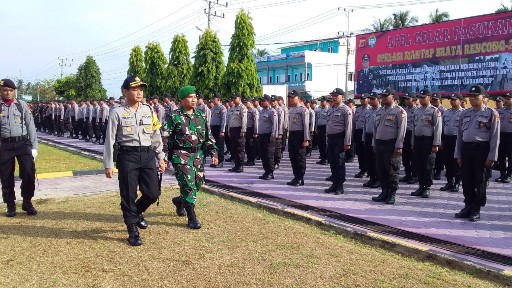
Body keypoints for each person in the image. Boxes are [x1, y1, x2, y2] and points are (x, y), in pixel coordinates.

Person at [103, 75, 166, 246]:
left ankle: (136, 213)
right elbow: (109, 139)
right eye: (135, 89)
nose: (139, 93)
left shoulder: (148, 110)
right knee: (128, 194)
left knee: (153, 193)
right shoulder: (117, 112)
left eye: (141, 89)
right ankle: (132, 229)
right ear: (125, 92)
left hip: (147, 155)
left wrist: (160, 156)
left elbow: (155, 135)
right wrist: (108, 164)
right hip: (127, 156)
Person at [167, 85, 218, 229]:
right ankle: (192, 217)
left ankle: (179, 201)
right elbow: (166, 138)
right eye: (190, 97)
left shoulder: (200, 116)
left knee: (197, 184)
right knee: (188, 185)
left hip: (198, 156)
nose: (194, 99)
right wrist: (163, 158)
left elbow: (208, 137)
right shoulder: (175, 116)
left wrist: (214, 152)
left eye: (195, 97)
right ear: (182, 100)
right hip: (181, 155)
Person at [454, 85, 499, 222]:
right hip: (466, 149)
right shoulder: (465, 113)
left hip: (482, 149)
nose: (472, 99)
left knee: (480, 180)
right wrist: (458, 154)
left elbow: (495, 136)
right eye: (471, 96)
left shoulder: (491, 113)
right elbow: (460, 135)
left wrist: (492, 156)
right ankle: (468, 205)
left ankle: (476, 208)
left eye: (476, 96)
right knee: (466, 180)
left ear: (483, 97)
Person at [0, 79, 38, 217]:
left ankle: (27, 201)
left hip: (22, 143)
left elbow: (31, 126)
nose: (8, 93)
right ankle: (10, 205)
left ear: (14, 91)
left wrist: (34, 147)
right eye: (5, 90)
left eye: (10, 90)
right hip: (5, 145)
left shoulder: (22, 105)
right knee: (6, 176)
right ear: (1, 91)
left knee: (29, 172)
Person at [371, 88, 407, 204]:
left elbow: (402, 130)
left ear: (392, 97)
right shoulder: (379, 111)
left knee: (392, 170)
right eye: (382, 96)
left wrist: (399, 146)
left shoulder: (399, 111)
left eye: (386, 96)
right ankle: (384, 191)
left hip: (391, 145)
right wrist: (374, 143)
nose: (383, 98)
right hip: (380, 144)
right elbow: (375, 129)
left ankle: (392, 194)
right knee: (381, 170)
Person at [411, 89, 442, 199]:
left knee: (428, 165)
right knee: (418, 164)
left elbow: (438, 128)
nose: (421, 99)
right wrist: (413, 142)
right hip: (418, 140)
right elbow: (414, 128)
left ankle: (427, 187)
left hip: (428, 141)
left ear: (429, 98)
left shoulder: (434, 111)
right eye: (420, 97)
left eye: (423, 97)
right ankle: (420, 186)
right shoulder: (417, 111)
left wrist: (436, 144)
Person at [324, 88, 352, 194]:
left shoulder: (346, 110)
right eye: (333, 95)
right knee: (332, 162)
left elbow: (348, 127)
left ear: (342, 97)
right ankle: (334, 183)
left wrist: (347, 142)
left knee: (340, 162)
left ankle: (340, 186)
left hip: (340, 139)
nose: (334, 97)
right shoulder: (331, 109)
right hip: (331, 138)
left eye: (336, 95)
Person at [440, 93, 464, 192]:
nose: (452, 101)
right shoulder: (446, 112)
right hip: (447, 139)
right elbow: (442, 127)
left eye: (454, 99)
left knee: (456, 162)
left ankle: (457, 182)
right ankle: (449, 181)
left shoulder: (464, 112)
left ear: (460, 101)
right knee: (447, 161)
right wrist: (441, 141)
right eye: (451, 100)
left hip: (457, 139)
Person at [287, 90, 310, 186]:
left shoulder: (303, 109)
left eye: (293, 97)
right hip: (292, 135)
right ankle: (296, 176)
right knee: (292, 156)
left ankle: (300, 178)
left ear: (299, 98)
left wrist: (306, 139)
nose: (291, 99)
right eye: (290, 98)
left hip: (300, 135)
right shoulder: (291, 109)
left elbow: (306, 125)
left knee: (300, 157)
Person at [362, 92, 381, 188]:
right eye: (370, 99)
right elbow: (365, 126)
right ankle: (372, 178)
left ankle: (378, 179)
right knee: (368, 159)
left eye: (373, 99)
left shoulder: (381, 111)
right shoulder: (368, 111)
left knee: (376, 160)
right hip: (368, 137)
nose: (371, 100)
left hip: (376, 138)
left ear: (378, 99)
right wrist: (363, 138)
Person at [257, 95, 278, 180]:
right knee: (263, 154)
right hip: (261, 135)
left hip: (269, 136)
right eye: (261, 101)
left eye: (263, 101)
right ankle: (266, 171)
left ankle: (270, 172)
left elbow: (275, 125)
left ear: (268, 102)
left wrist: (273, 136)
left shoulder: (272, 111)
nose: (262, 102)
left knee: (269, 155)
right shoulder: (262, 111)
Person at [400, 92, 418, 184]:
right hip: (405, 134)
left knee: (414, 156)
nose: (406, 100)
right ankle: (408, 174)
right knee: (405, 156)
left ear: (414, 100)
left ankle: (415, 175)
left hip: (413, 134)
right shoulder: (403, 110)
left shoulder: (418, 110)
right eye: (405, 99)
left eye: (408, 99)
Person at [227, 94, 247, 173]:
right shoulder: (232, 108)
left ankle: (240, 166)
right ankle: (236, 165)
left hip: (239, 129)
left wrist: (243, 130)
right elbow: (230, 120)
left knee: (240, 148)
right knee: (234, 148)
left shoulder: (242, 107)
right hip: (232, 130)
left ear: (239, 98)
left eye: (235, 98)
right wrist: (229, 130)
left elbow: (244, 120)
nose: (233, 100)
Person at [495, 93, 512, 183]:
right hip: (501, 135)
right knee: (501, 156)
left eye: (509, 99)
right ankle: (502, 174)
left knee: (510, 157)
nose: (506, 100)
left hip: (510, 135)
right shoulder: (500, 111)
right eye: (506, 98)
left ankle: (509, 174)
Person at [354, 93, 370, 178]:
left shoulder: (370, 109)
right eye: (361, 99)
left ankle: (368, 169)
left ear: (368, 99)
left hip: (366, 132)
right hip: (358, 131)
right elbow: (354, 121)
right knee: (359, 152)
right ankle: (362, 169)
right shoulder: (358, 109)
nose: (362, 100)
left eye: (364, 99)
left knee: (366, 152)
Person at [209, 93, 227, 168]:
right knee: (214, 145)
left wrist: (222, 130)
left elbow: (224, 120)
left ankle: (220, 161)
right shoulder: (213, 108)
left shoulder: (222, 108)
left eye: (214, 99)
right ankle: (215, 161)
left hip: (219, 128)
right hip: (213, 128)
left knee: (220, 146)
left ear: (218, 99)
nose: (212, 100)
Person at [431, 93, 445, 180]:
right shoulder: (431, 109)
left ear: (440, 100)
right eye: (433, 99)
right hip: (431, 134)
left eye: (436, 100)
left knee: (439, 155)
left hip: (441, 134)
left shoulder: (444, 111)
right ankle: (432, 171)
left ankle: (438, 171)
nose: (434, 101)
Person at [244, 98, 259, 166]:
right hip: (247, 129)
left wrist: (255, 132)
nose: (245, 104)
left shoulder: (254, 110)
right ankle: (248, 159)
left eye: (246, 102)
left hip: (251, 129)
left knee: (251, 146)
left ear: (250, 103)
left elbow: (256, 122)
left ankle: (252, 160)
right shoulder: (246, 110)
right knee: (247, 145)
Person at [315, 96, 329, 165]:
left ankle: (326, 158)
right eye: (321, 101)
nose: (321, 102)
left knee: (325, 144)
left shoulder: (328, 110)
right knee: (320, 144)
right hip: (319, 127)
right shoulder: (319, 110)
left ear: (326, 102)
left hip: (325, 128)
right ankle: (322, 158)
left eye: (323, 101)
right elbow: (317, 120)